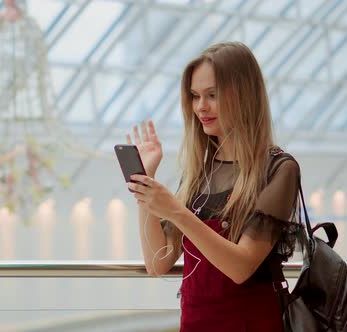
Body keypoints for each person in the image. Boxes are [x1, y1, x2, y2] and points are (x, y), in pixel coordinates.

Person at [125, 42, 303, 331]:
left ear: (244, 95)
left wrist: (178, 213)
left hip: (251, 322)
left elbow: (241, 267)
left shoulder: (279, 169)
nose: (200, 107)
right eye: (195, 96)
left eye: (212, 95)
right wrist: (145, 185)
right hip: (196, 322)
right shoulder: (200, 171)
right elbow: (157, 263)